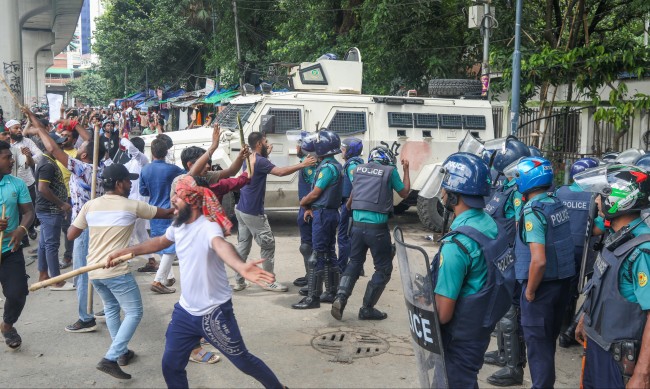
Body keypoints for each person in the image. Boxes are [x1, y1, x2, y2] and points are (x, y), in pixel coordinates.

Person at [107, 175, 286, 388]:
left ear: (191, 200)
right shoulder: (179, 225)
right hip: (185, 312)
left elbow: (221, 246)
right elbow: (159, 242)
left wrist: (240, 266)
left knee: (243, 361)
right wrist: (127, 251)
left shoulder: (208, 226)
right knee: (171, 365)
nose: (173, 200)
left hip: (214, 313)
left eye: (177, 197)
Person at [67, 164, 173, 379]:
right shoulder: (132, 206)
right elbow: (166, 213)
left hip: (94, 271)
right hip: (116, 270)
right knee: (134, 312)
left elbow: (70, 234)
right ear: (118, 184)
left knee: (112, 308)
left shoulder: (90, 206)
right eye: (127, 180)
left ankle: (122, 353)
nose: (131, 183)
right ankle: (111, 358)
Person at [429, 152, 515, 388]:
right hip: (481, 327)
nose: (442, 193)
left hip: (459, 337)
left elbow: (444, 313)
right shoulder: (490, 224)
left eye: (446, 188)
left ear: (455, 196)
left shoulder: (456, 245)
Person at [26, 108, 107, 333]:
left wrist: (38, 127)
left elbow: (51, 147)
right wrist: (35, 120)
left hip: (84, 228)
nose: (77, 146)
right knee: (99, 268)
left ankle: (86, 318)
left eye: (80, 147)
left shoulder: (83, 169)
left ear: (83, 155)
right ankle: (107, 307)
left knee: (81, 273)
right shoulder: (103, 169)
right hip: (100, 227)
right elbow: (89, 140)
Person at [574, 164, 650, 389]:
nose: (597, 200)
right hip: (599, 345)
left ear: (621, 198)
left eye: (601, 195)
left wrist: (642, 374)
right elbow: (602, 285)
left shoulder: (641, 252)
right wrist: (585, 319)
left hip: (619, 360)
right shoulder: (616, 237)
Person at [513, 156, 576, 388]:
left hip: (540, 288)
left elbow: (538, 261)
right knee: (547, 342)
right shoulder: (555, 202)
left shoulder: (533, 211)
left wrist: (530, 291)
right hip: (561, 285)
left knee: (538, 349)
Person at [331, 146, 410, 320]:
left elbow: (350, 204)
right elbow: (404, 193)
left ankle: (340, 297)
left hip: (357, 228)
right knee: (383, 269)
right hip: (377, 230)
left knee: (354, 263)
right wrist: (406, 170)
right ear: (387, 159)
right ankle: (366, 308)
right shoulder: (390, 171)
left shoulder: (358, 170)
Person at [232, 131, 316, 292]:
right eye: (265, 141)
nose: (268, 144)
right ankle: (269, 281)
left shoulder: (248, 157)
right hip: (253, 211)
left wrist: (267, 154)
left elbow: (261, 167)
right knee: (268, 245)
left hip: (241, 208)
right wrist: (302, 164)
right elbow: (280, 172)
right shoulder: (260, 160)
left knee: (243, 245)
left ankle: (239, 281)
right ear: (258, 144)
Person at [482, 138, 530, 387]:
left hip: (511, 257)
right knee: (501, 309)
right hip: (499, 255)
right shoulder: (505, 187)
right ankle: (502, 353)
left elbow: (522, 228)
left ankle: (514, 368)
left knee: (510, 314)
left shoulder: (518, 192)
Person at [293, 131, 343, 309]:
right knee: (329, 253)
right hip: (329, 213)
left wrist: (304, 202)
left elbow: (316, 192)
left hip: (323, 214)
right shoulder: (335, 165)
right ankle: (331, 291)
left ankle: (312, 298)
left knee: (317, 256)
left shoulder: (327, 168)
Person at [554, 157, 600, 348]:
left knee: (566, 286)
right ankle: (570, 330)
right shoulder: (594, 196)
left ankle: (562, 327)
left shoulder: (560, 191)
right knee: (588, 288)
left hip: (563, 247)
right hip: (587, 249)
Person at [0, 140, 35, 350]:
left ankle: (7, 325)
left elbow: (29, 212)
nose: (12, 160)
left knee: (18, 292)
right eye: (7, 157)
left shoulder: (17, 183)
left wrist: (21, 230)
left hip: (10, 250)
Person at [140, 136, 184, 294]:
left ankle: (167, 276)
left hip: (154, 210)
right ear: (166, 152)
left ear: (152, 152)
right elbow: (187, 176)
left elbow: (143, 191)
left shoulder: (145, 169)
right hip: (170, 210)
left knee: (161, 244)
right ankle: (159, 280)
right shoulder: (173, 169)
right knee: (171, 247)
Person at [34, 131, 73, 290]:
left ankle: (44, 275)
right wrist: (61, 204)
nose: (61, 147)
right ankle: (57, 281)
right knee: (52, 245)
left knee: (45, 244)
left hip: (47, 209)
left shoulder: (48, 161)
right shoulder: (48, 164)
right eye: (58, 144)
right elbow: (43, 188)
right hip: (50, 210)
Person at [6, 119, 41, 243]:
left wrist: (28, 158)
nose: (19, 130)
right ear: (9, 130)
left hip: (27, 182)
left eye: (20, 127)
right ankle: (22, 237)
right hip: (9, 183)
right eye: (16, 128)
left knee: (29, 208)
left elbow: (40, 155)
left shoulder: (27, 142)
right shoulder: (6, 144)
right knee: (16, 210)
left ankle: (30, 228)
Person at [293, 136, 317, 288]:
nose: (296, 148)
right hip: (306, 208)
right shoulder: (310, 162)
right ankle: (310, 275)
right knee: (307, 245)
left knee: (308, 246)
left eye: (299, 145)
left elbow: (312, 191)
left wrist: (307, 208)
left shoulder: (308, 166)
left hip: (309, 210)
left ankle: (313, 278)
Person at [338, 137, 364, 274]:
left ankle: (342, 268)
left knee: (344, 236)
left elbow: (357, 186)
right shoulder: (354, 163)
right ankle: (357, 267)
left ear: (350, 151)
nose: (341, 151)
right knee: (352, 236)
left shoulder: (352, 165)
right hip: (351, 204)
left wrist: (348, 205)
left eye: (343, 149)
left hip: (349, 205)